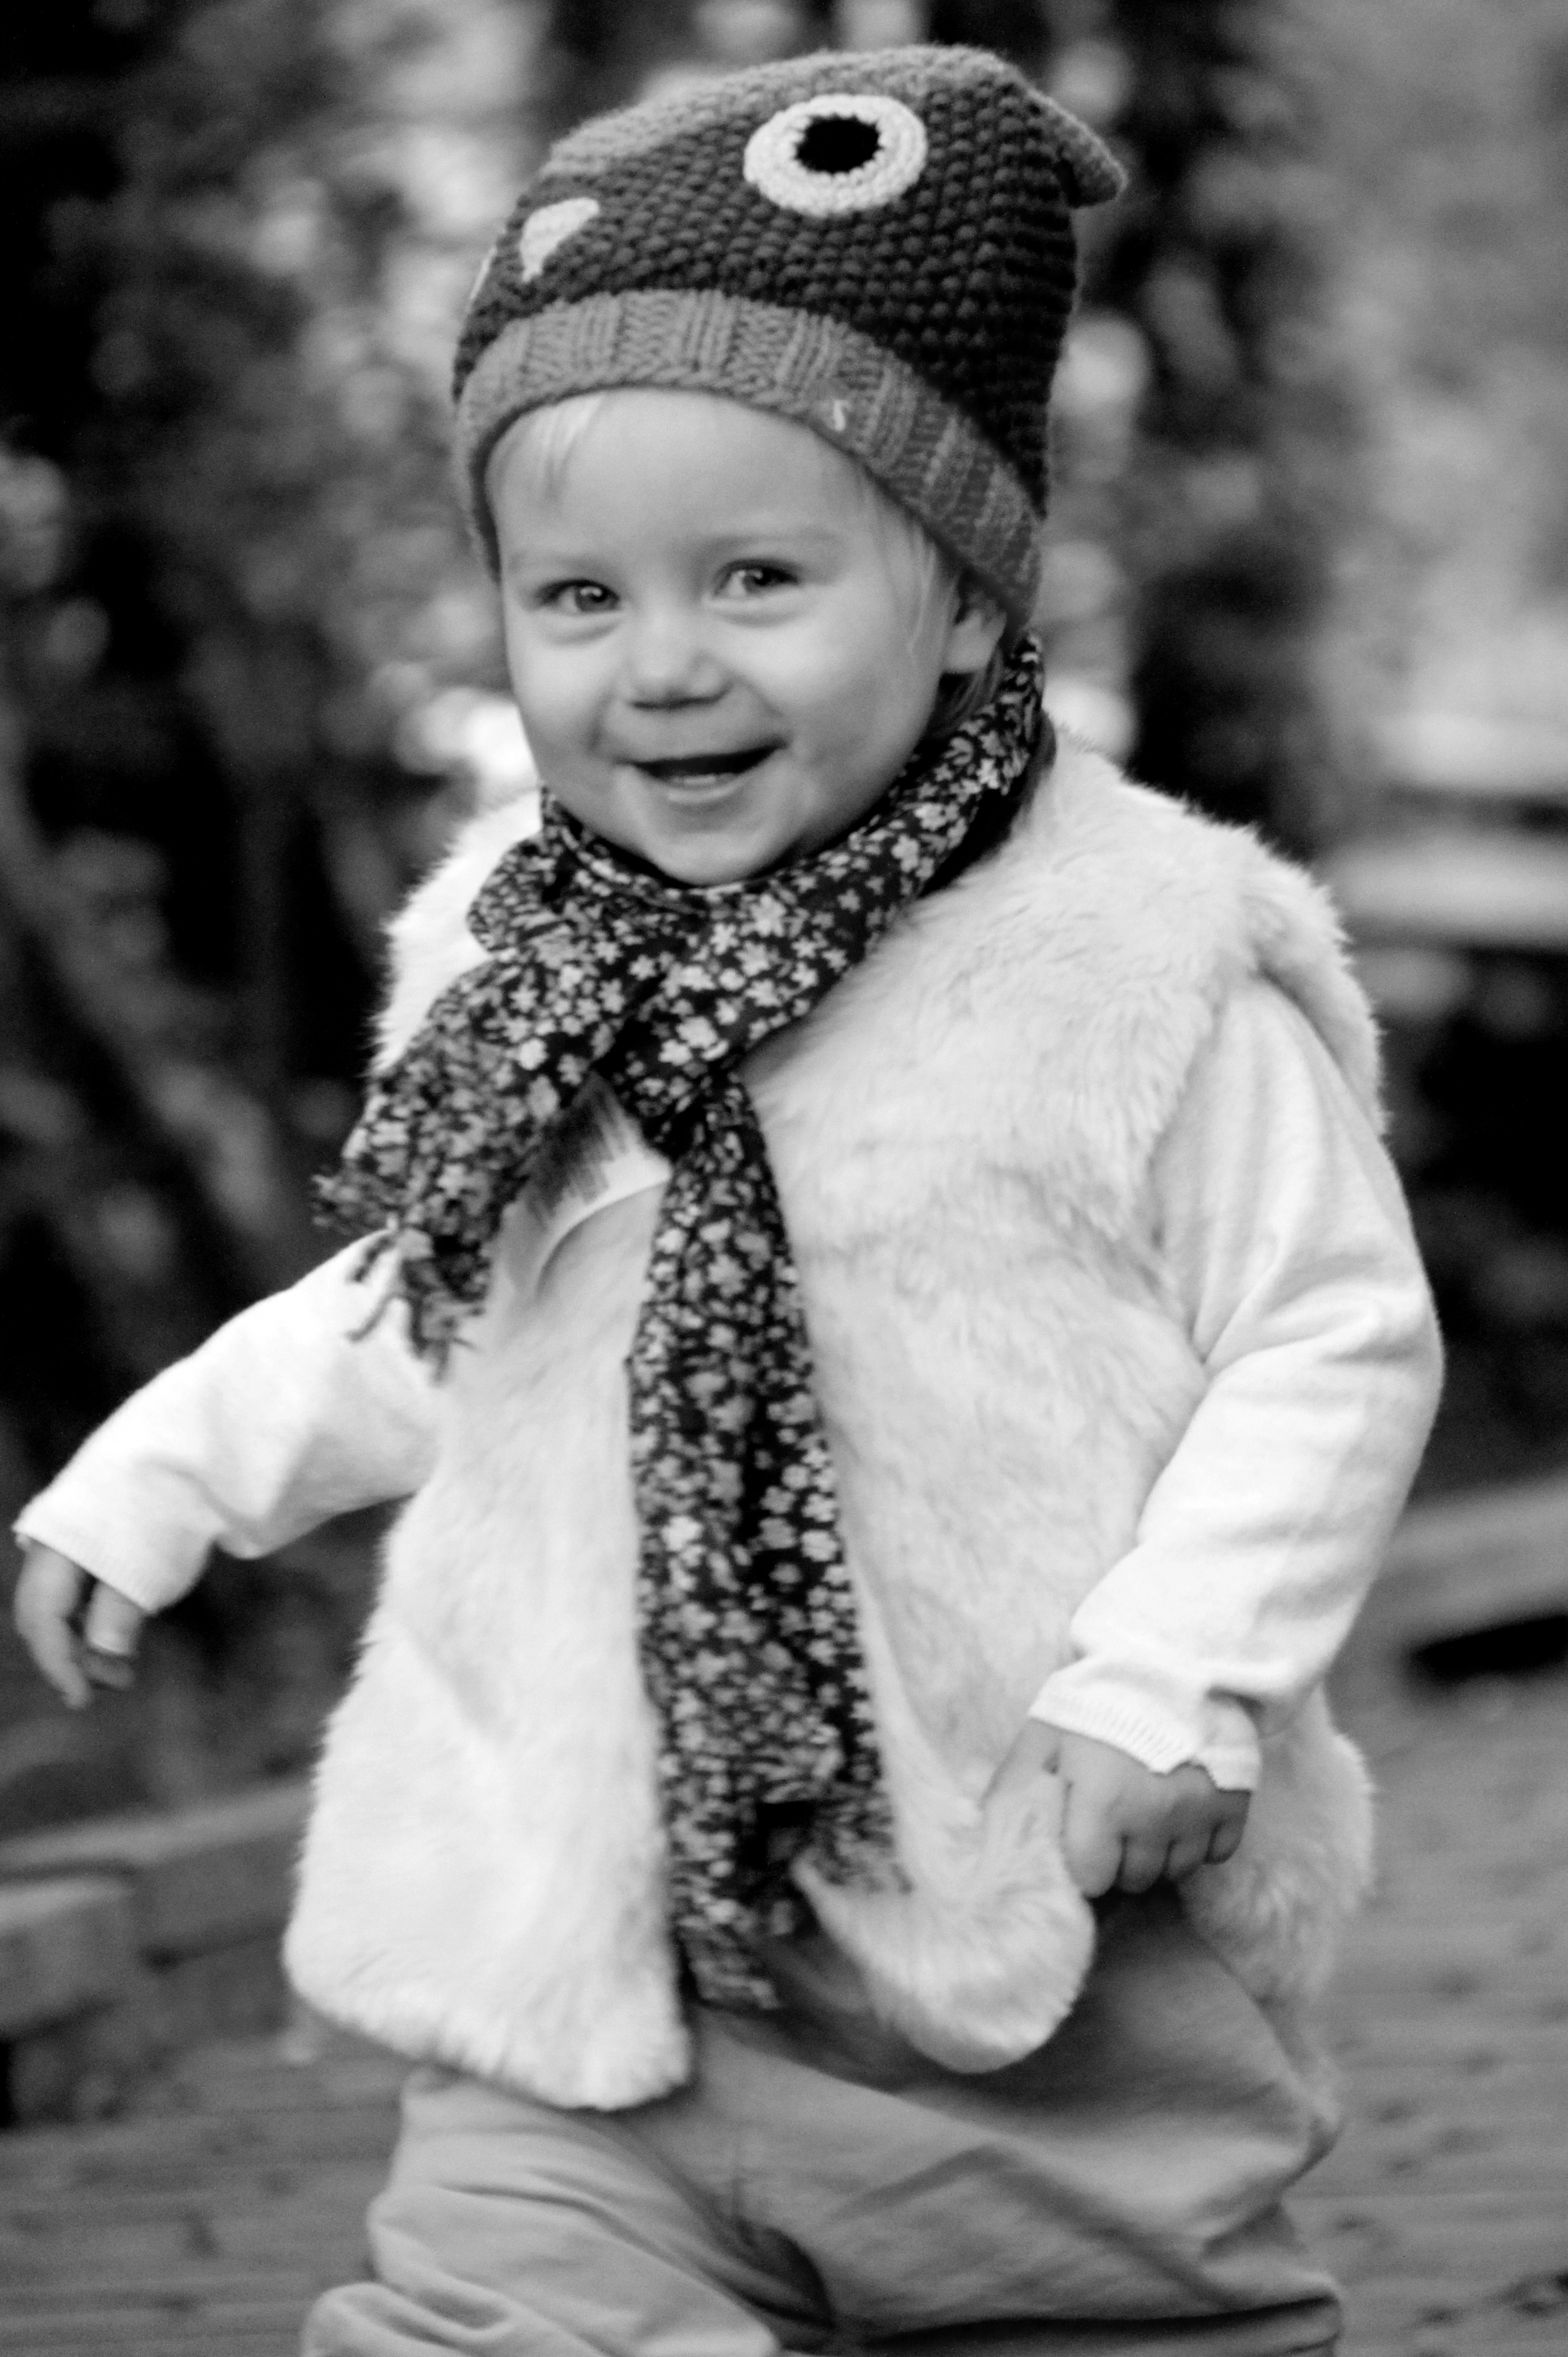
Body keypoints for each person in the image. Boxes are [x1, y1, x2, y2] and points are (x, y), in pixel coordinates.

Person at [13, 45, 1442, 2357]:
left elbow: (1330, 1337)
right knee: (480, 2328)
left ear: (964, 597)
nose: (661, 663)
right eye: (576, 594)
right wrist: (165, 1476)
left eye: (758, 578)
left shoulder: (1141, 969)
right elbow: (441, 1303)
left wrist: (1175, 1679)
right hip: (591, 1966)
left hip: (1043, 1913)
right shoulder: (530, 978)